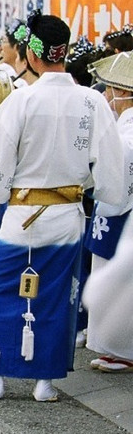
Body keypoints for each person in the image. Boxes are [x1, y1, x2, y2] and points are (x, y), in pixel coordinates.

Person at [0, 14, 125, 403]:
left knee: (7, 289)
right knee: (57, 294)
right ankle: (45, 381)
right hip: (69, 211)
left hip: (25, 210)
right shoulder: (92, 99)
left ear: (31, 52)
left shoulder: (22, 99)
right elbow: (110, 164)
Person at [82, 51, 133, 371]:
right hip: (113, 209)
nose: (106, 95)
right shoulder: (122, 126)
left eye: (111, 89)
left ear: (125, 93)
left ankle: (123, 348)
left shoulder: (127, 131)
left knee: (121, 281)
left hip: (122, 210)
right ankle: (110, 343)